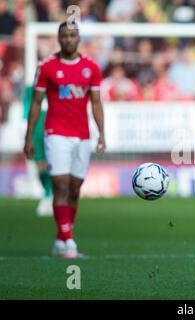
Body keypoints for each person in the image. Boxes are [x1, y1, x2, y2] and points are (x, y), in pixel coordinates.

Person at [24, 21, 106, 259]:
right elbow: (37, 103)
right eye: (64, 36)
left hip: (82, 135)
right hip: (56, 133)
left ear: (78, 39)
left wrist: (102, 133)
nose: (68, 39)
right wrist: (29, 137)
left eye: (72, 35)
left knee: (74, 189)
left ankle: (61, 239)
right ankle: (69, 241)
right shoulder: (46, 67)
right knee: (59, 184)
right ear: (59, 39)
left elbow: (97, 102)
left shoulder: (91, 67)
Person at [23, 85, 53, 216]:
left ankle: (52, 196)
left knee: (54, 166)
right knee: (40, 165)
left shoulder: (55, 87)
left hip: (54, 132)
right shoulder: (30, 90)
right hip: (36, 133)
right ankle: (47, 194)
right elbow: (26, 112)